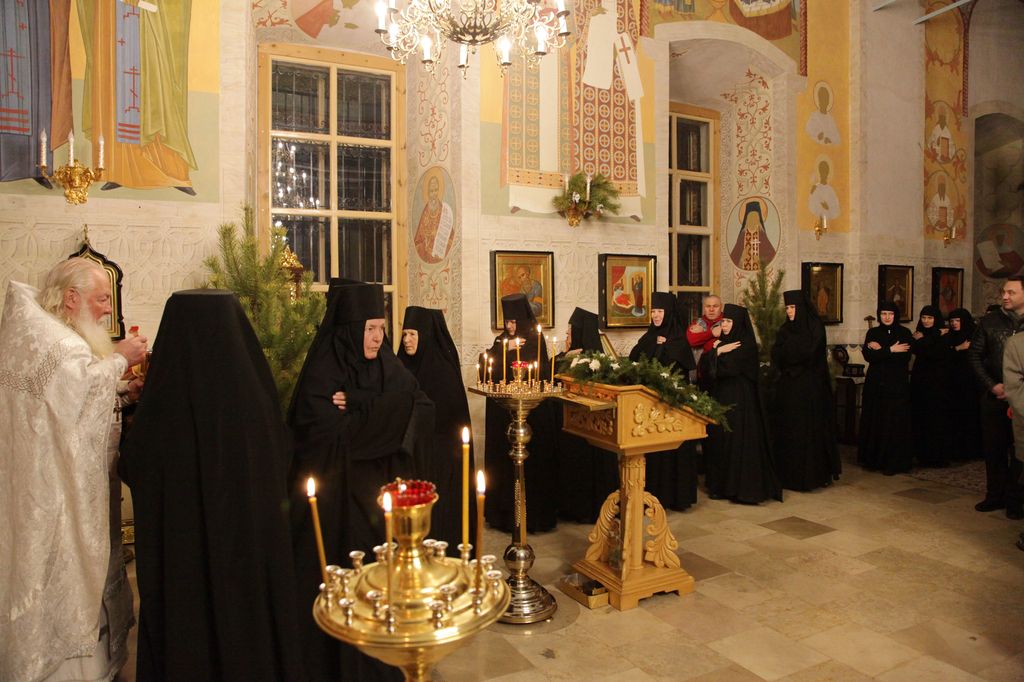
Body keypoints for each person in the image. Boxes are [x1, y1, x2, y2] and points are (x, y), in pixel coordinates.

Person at [118, 290, 307, 681]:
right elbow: (281, 457)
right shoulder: (254, 398)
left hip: (181, 562)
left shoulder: (162, 402)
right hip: (244, 553)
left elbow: (134, 465)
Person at [0, 258, 147, 682]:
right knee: (65, 571)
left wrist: (122, 391)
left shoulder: (44, 333)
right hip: (53, 493)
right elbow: (76, 396)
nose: (107, 309)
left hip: (36, 481)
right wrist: (119, 359)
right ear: (71, 298)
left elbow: (65, 402)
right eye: (101, 299)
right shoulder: (60, 344)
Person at [287, 282, 433, 682]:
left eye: (381, 327)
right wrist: (384, 418)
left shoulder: (387, 364)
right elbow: (323, 434)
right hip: (336, 501)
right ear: (351, 329)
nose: (378, 337)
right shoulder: (323, 372)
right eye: (369, 328)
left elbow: (421, 406)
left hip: (380, 497)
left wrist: (362, 404)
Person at [397, 306, 473, 549]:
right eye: (404, 334)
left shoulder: (442, 371)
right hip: (412, 455)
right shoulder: (401, 366)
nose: (406, 340)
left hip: (440, 458)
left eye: (412, 334)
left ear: (426, 336)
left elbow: (447, 419)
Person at [483, 293, 558, 533]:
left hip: (532, 413)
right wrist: (505, 349)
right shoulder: (502, 341)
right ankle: (504, 517)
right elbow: (487, 367)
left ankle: (533, 518)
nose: (510, 327)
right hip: (505, 412)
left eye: (514, 322)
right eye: (507, 322)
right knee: (504, 466)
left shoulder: (535, 339)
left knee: (533, 467)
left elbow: (540, 372)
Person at [704, 304, 782, 504]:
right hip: (721, 397)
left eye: (729, 321)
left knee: (737, 442)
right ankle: (721, 487)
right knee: (720, 441)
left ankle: (739, 489)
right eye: (723, 321)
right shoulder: (723, 343)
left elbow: (728, 369)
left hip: (740, 401)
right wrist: (718, 351)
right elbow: (705, 367)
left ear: (738, 323)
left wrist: (717, 352)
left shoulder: (746, 345)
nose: (725, 325)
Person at [630, 292, 699, 511]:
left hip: (672, 406)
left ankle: (676, 497)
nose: (655, 315)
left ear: (668, 313)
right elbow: (635, 357)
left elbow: (677, 366)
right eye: (653, 311)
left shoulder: (678, 339)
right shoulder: (650, 336)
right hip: (651, 403)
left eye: (659, 311)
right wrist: (656, 345)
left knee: (673, 449)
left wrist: (663, 347)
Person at [771, 290, 840, 491]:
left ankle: (811, 477)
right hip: (789, 388)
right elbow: (776, 354)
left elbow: (809, 353)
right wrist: (790, 354)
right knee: (789, 430)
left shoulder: (815, 327)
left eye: (792, 307)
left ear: (801, 308)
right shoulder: (785, 328)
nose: (789, 311)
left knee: (809, 432)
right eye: (787, 308)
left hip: (811, 388)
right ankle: (788, 476)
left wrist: (789, 353)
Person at [555, 307, 619, 523]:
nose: (567, 335)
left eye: (570, 331)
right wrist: (564, 356)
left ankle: (592, 509)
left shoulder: (597, 362)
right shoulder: (570, 356)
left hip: (593, 428)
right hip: (574, 425)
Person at [968, 276, 1024, 518]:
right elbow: (975, 356)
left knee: (1020, 453)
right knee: (994, 449)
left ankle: (1016, 501)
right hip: (995, 397)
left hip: (1022, 400)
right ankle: (995, 495)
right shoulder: (990, 321)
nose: (1005, 296)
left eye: (1011, 292)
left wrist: (1016, 389)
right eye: (1004, 292)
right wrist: (993, 386)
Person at [858, 301, 914, 475]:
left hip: (896, 386)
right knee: (876, 421)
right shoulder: (873, 333)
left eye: (890, 314)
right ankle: (873, 460)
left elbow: (903, 358)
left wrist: (881, 350)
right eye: (883, 314)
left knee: (894, 424)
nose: (887, 317)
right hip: (875, 385)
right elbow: (869, 356)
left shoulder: (904, 333)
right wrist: (890, 349)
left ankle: (893, 463)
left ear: (895, 315)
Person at [910, 305, 954, 467]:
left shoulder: (945, 334)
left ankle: (937, 456)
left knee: (936, 418)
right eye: (923, 318)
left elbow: (935, 353)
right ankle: (921, 454)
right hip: (920, 380)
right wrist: (932, 337)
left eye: (930, 318)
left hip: (938, 382)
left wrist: (924, 340)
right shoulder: (924, 333)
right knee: (920, 417)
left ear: (936, 319)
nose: (926, 321)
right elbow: (915, 349)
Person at [946, 308, 982, 460]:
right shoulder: (949, 336)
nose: (954, 324)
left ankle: (971, 450)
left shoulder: (975, 335)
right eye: (952, 321)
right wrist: (957, 348)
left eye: (957, 321)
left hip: (971, 381)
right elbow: (943, 355)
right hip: (953, 381)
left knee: (970, 414)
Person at [687, 294, 724, 391]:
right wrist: (711, 333)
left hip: (719, 375)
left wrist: (702, 335)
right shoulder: (697, 322)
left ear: (721, 307)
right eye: (708, 306)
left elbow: (711, 347)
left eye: (715, 306)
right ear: (704, 308)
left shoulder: (726, 323)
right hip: (698, 376)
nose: (711, 309)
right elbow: (691, 341)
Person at [730, 200, 778, 271]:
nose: (753, 220)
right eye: (751, 217)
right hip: (744, 272)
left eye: (755, 217)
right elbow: (734, 258)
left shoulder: (761, 235)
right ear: (747, 219)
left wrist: (759, 260)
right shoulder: (743, 235)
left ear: (758, 219)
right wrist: (742, 257)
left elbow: (771, 255)